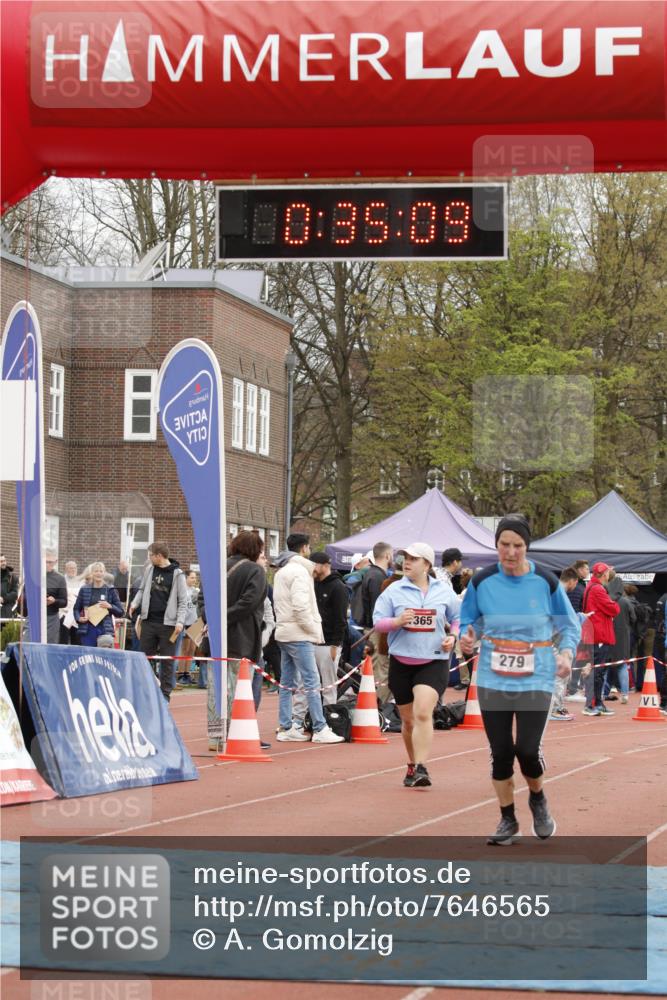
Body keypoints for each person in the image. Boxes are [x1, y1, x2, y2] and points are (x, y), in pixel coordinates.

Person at [460, 514, 580, 844]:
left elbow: (569, 625)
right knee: (500, 753)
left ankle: (538, 798)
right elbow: (470, 619)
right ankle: (508, 819)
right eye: (504, 545)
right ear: (496, 545)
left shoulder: (545, 581)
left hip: (535, 678)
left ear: (527, 547)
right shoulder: (482, 580)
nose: (511, 552)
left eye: (518, 546)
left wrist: (566, 653)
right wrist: (467, 636)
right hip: (493, 678)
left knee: (526, 750)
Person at [373, 542, 460, 788]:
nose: (407, 562)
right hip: (401, 661)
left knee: (423, 712)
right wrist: (397, 621)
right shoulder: (393, 590)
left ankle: (422, 766)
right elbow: (378, 622)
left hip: (434, 660)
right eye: (405, 558)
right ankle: (412, 764)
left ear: (427, 564)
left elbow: (458, 618)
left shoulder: (444, 591)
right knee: (409, 720)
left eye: (413, 559)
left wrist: (452, 636)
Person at [273, 533, 344, 744]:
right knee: (312, 682)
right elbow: (300, 607)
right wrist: (313, 630)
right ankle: (320, 728)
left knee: (287, 683)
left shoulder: (282, 571)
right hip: (299, 634)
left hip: (284, 632)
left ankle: (287, 726)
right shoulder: (300, 572)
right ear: (305, 548)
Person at [291, 551, 348, 722]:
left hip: (328, 643)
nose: (312, 568)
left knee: (328, 684)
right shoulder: (311, 583)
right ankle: (298, 719)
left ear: (325, 565)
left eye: (314, 565)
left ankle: (330, 719)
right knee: (303, 683)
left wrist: (335, 645)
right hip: (309, 640)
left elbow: (341, 619)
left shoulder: (338, 587)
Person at [130, 541, 188, 702]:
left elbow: (183, 600)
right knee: (145, 658)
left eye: (151, 555)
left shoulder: (178, 574)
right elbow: (142, 590)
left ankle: (164, 696)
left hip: (168, 625)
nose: (149, 558)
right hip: (149, 622)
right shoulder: (150, 569)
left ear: (159, 556)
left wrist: (180, 621)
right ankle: (147, 691)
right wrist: (134, 604)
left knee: (167, 662)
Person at [581, 562, 620, 717]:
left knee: (597, 670)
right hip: (599, 634)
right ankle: (592, 704)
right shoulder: (598, 589)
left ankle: (597, 703)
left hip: (595, 633)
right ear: (604, 574)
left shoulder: (592, 587)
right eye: (608, 572)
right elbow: (614, 609)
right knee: (597, 671)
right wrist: (613, 603)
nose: (609, 575)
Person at [360, 542, 393, 701]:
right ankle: (379, 705)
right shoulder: (378, 577)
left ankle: (376, 703)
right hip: (377, 630)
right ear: (387, 555)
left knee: (376, 668)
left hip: (373, 628)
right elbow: (378, 608)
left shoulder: (370, 574)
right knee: (380, 669)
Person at [73, 563, 123, 647]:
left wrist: (110, 606)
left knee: (103, 654)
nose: (98, 573)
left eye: (101, 571)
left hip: (105, 629)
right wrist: (78, 618)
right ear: (92, 573)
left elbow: (120, 612)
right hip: (88, 629)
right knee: (88, 654)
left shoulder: (111, 590)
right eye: (96, 571)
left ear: (104, 573)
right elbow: (76, 609)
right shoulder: (84, 589)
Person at [603, 570, 635, 704]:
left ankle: (602, 693)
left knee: (605, 667)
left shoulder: (605, 600)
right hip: (622, 639)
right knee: (622, 666)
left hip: (606, 637)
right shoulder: (626, 602)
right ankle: (625, 694)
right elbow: (633, 618)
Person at [45, 552, 67, 643]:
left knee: (50, 645)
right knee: (30, 645)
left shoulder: (60, 578)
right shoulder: (33, 575)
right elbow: (25, 596)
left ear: (55, 562)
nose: (47, 564)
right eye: (45, 561)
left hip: (51, 616)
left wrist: (54, 601)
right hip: (34, 616)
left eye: (50, 562)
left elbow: (64, 602)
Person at [60, 560, 81, 644]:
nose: (73, 570)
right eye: (70, 568)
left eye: (74, 568)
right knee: (63, 640)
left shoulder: (80, 582)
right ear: (65, 569)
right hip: (63, 614)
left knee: (76, 640)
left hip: (75, 615)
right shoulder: (61, 580)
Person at [0, 554, 19, 622]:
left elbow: (15, 594)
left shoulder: (12, 577)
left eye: (4, 561)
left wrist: (3, 599)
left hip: (8, 613)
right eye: (1, 561)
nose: (3, 563)